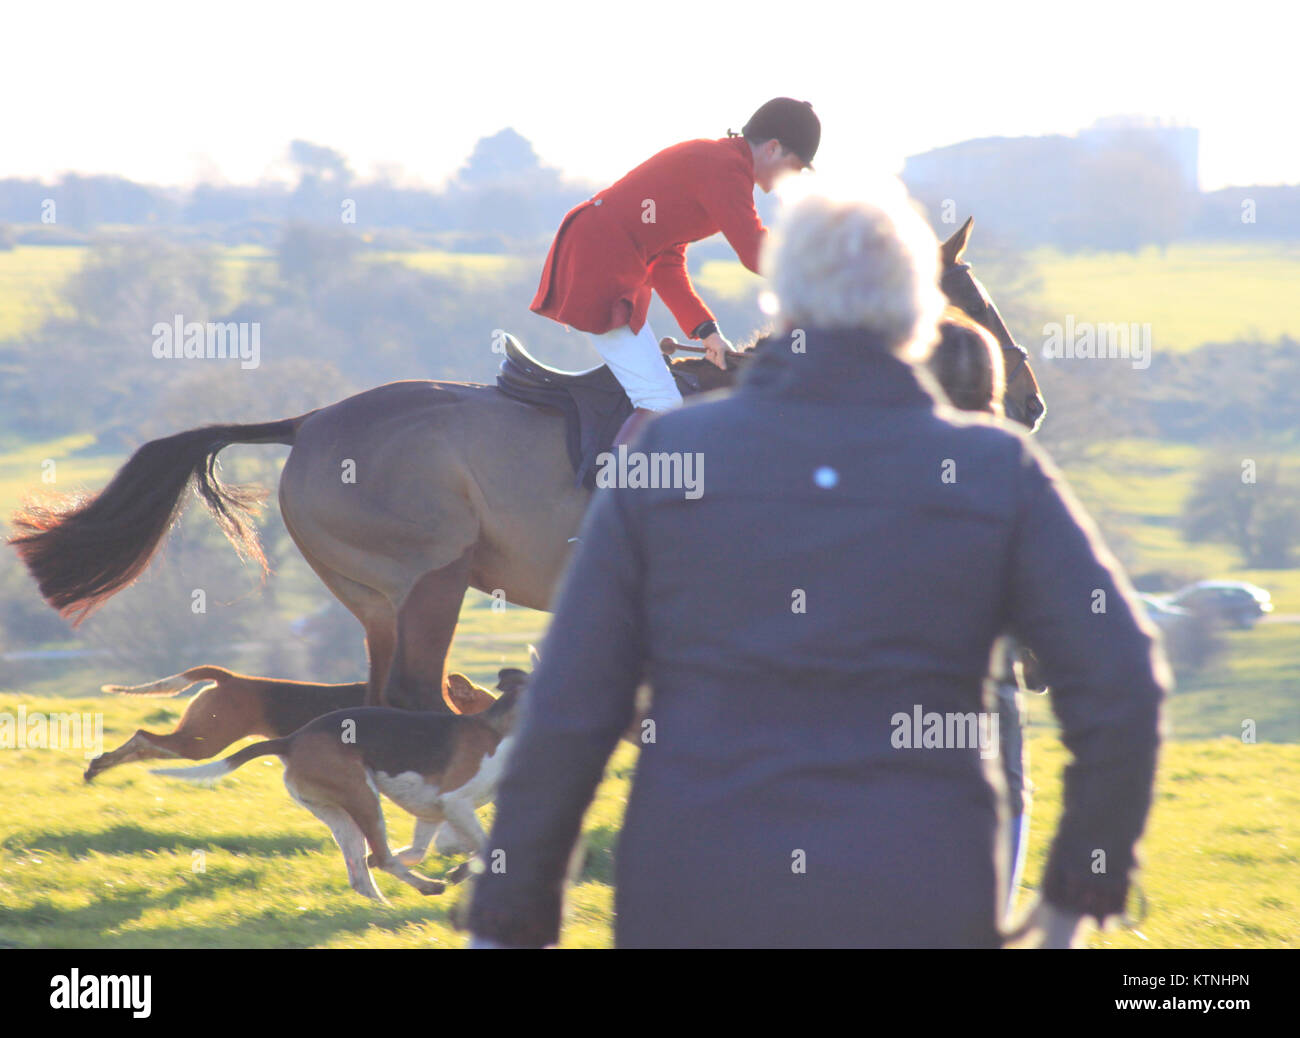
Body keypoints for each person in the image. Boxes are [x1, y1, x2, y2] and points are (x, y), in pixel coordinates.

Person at [468, 183, 1169, 949]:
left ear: (782, 305)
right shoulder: (994, 469)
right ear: (920, 310)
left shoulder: (671, 456)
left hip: (698, 897)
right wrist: (1076, 896)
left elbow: (572, 704)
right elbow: (1123, 682)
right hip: (923, 899)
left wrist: (512, 910)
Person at [529, 97, 819, 447]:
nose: (795, 178)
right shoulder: (726, 168)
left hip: (601, 256)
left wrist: (707, 331)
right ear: (773, 148)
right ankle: (615, 482)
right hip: (599, 263)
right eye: (796, 166)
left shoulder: (721, 164)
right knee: (660, 403)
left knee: (658, 397)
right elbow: (754, 251)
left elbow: (665, 264)